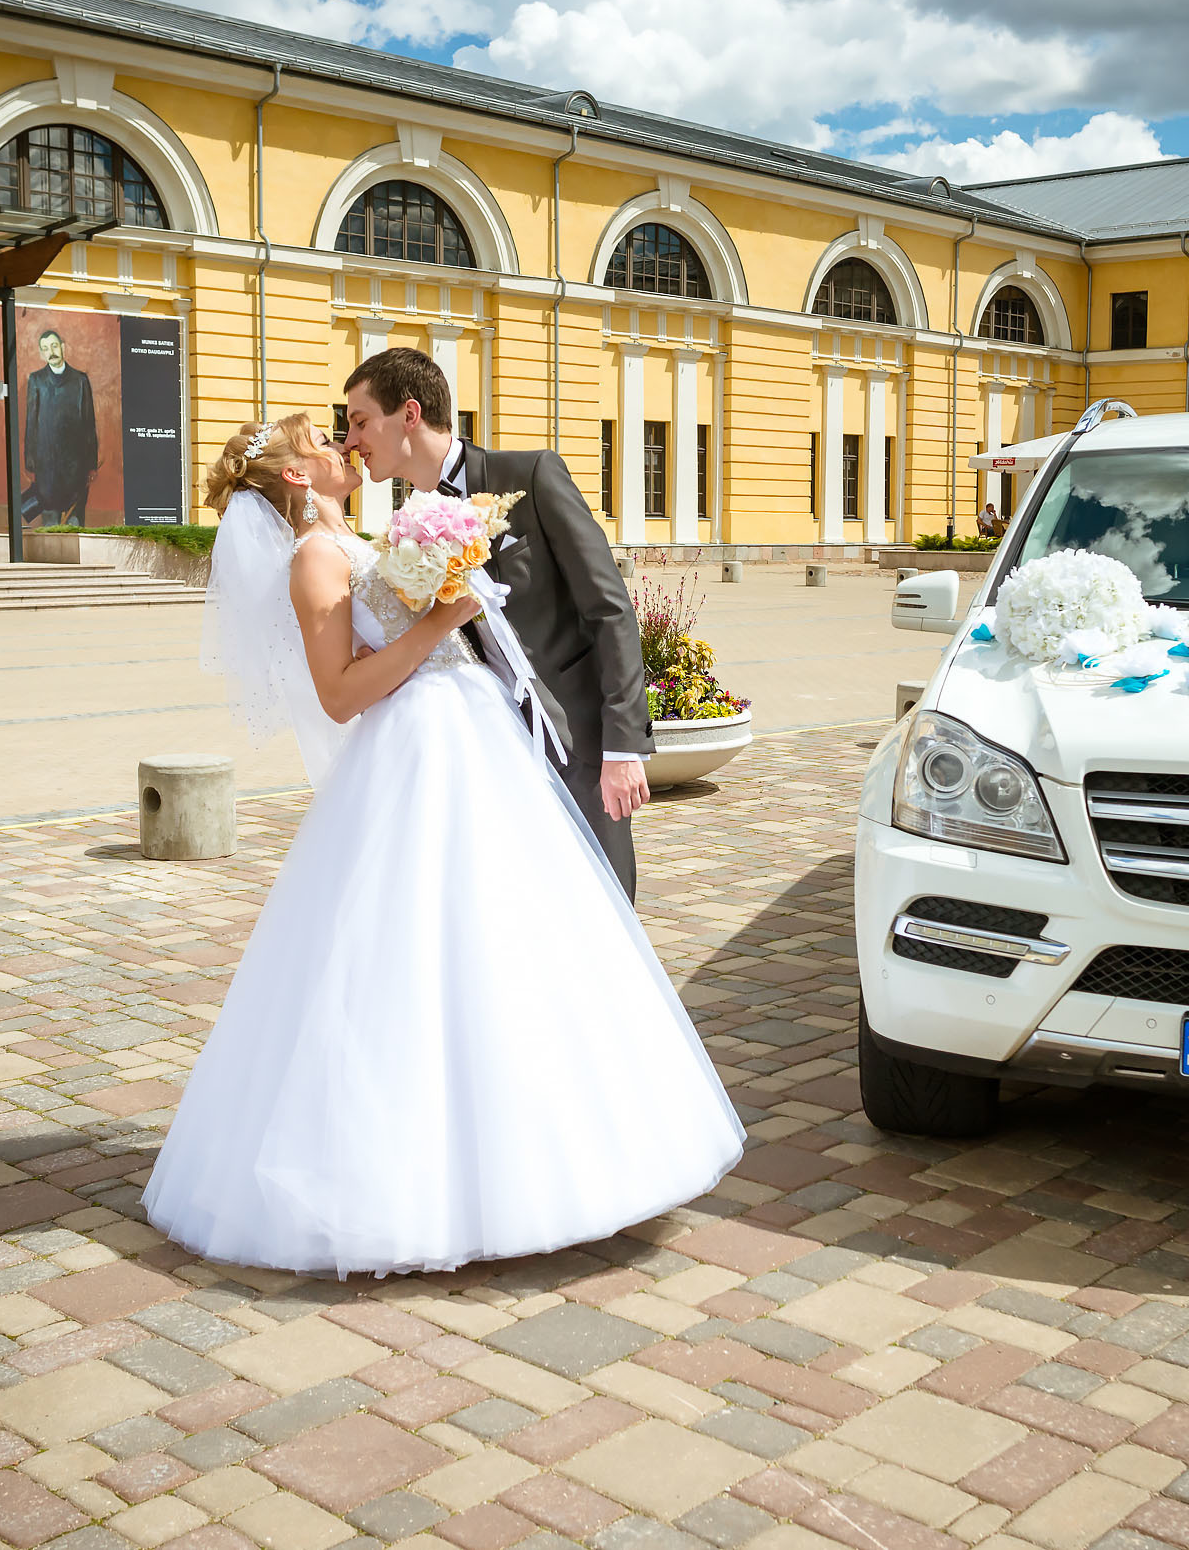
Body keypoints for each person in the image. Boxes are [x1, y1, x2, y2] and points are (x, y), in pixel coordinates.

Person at [141, 415, 743, 1278]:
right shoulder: (315, 558)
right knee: (418, 953)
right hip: (415, 757)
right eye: (321, 441)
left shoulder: (354, 535)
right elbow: (341, 695)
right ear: (296, 480)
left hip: (473, 740)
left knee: (509, 941)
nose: (341, 447)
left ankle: (548, 1147)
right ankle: (434, 1180)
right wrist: (440, 620)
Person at [342, 348, 653, 899]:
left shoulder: (529, 475)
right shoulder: (404, 534)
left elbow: (609, 610)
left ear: (409, 414)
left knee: (608, 911)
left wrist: (622, 748)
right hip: (491, 753)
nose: (350, 441)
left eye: (360, 421)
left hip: (578, 743)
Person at [22, 327, 98, 525]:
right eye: (46, 348)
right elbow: (32, 423)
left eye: (54, 346)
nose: (51, 351)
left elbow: (89, 425)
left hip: (76, 467)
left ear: (63, 347)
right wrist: (30, 463)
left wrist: (91, 464)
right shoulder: (36, 380)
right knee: (50, 523)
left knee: (75, 522)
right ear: (41, 352)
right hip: (47, 467)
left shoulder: (80, 381)